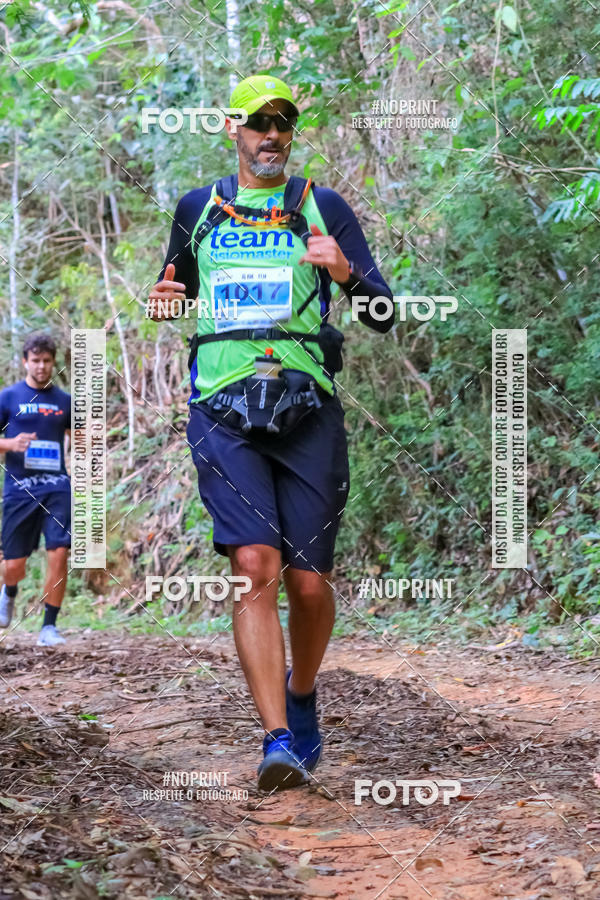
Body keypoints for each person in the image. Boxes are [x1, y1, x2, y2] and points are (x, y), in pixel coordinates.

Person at [149, 74, 394, 790]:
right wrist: (166, 301)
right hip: (223, 412)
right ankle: (277, 740)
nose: (272, 134)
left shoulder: (323, 207)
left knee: (310, 585)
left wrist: (348, 276)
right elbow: (175, 291)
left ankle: (303, 691)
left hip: (306, 410)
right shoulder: (198, 210)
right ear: (233, 129)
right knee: (254, 566)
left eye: (283, 121)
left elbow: (383, 314)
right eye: (258, 121)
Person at [0, 333, 72, 647]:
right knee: (14, 566)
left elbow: (80, 439)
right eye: (36, 361)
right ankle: (9, 591)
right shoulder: (8, 398)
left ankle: (49, 627)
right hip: (19, 489)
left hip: (57, 487)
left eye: (47, 361)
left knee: (59, 551)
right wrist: (10, 444)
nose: (41, 367)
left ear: (54, 363)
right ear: (25, 361)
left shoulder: (65, 401)